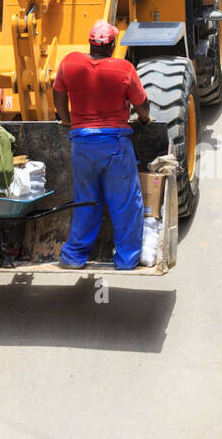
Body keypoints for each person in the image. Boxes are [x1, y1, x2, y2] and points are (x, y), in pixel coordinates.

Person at [53, 21, 150, 270]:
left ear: (90, 42)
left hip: (82, 144)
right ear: (112, 45)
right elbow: (142, 106)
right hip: (114, 144)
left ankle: (74, 257)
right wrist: (144, 119)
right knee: (125, 203)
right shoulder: (123, 69)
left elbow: (58, 94)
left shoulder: (69, 63)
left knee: (86, 201)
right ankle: (126, 261)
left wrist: (66, 119)